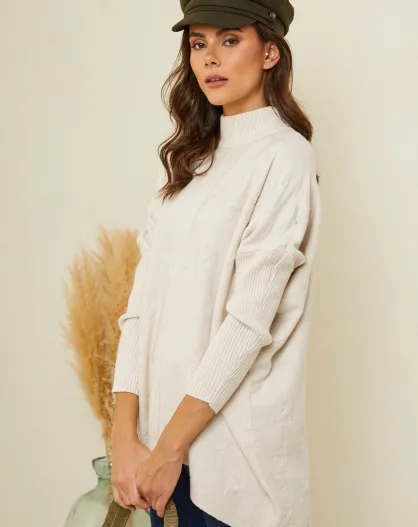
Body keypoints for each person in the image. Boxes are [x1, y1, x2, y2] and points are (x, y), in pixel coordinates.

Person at [110, 1, 321, 526]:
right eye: (198, 44)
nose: (209, 58)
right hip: (162, 456)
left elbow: (247, 324)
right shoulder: (187, 163)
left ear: (270, 52)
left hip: (233, 463)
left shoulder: (285, 156)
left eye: (229, 40)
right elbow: (141, 309)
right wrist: (125, 437)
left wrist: (169, 448)